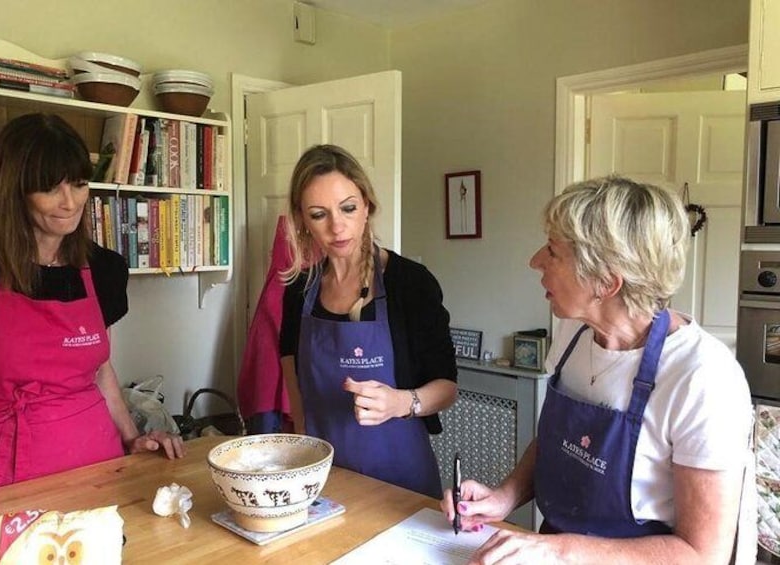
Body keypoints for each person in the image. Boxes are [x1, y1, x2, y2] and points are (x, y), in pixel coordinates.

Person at [442, 175, 753, 564]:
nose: (535, 260)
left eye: (553, 252)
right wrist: (504, 497)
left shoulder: (703, 378)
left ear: (606, 282)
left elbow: (701, 554)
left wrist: (559, 549)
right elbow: (555, 443)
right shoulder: (574, 332)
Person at [0, 113, 185, 500]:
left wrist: (132, 438)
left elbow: (99, 368)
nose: (70, 202)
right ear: (13, 190)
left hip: (99, 466)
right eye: (50, 188)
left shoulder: (104, 269)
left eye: (79, 183)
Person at [279, 144, 458, 499]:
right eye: (318, 214)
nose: (337, 226)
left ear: (367, 206)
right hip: (322, 476)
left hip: (399, 481)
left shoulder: (411, 283)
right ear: (302, 221)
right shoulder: (299, 289)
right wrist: (302, 448)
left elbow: (448, 387)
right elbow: (291, 372)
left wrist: (400, 402)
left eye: (348, 208)